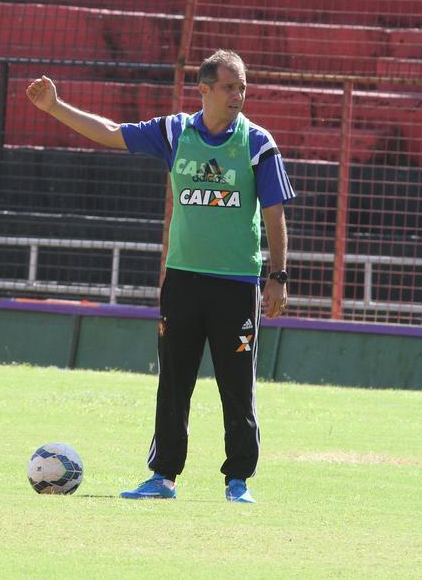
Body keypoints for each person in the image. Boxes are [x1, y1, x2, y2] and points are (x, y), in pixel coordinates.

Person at [26, 50, 293, 504]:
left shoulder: (257, 143)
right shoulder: (174, 132)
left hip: (236, 283)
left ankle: (238, 482)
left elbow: (274, 212)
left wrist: (278, 275)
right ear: (204, 90)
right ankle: (163, 477)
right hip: (183, 280)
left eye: (243, 87)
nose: (239, 95)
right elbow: (112, 133)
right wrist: (55, 107)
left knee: (237, 386)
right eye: (230, 87)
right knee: (173, 383)